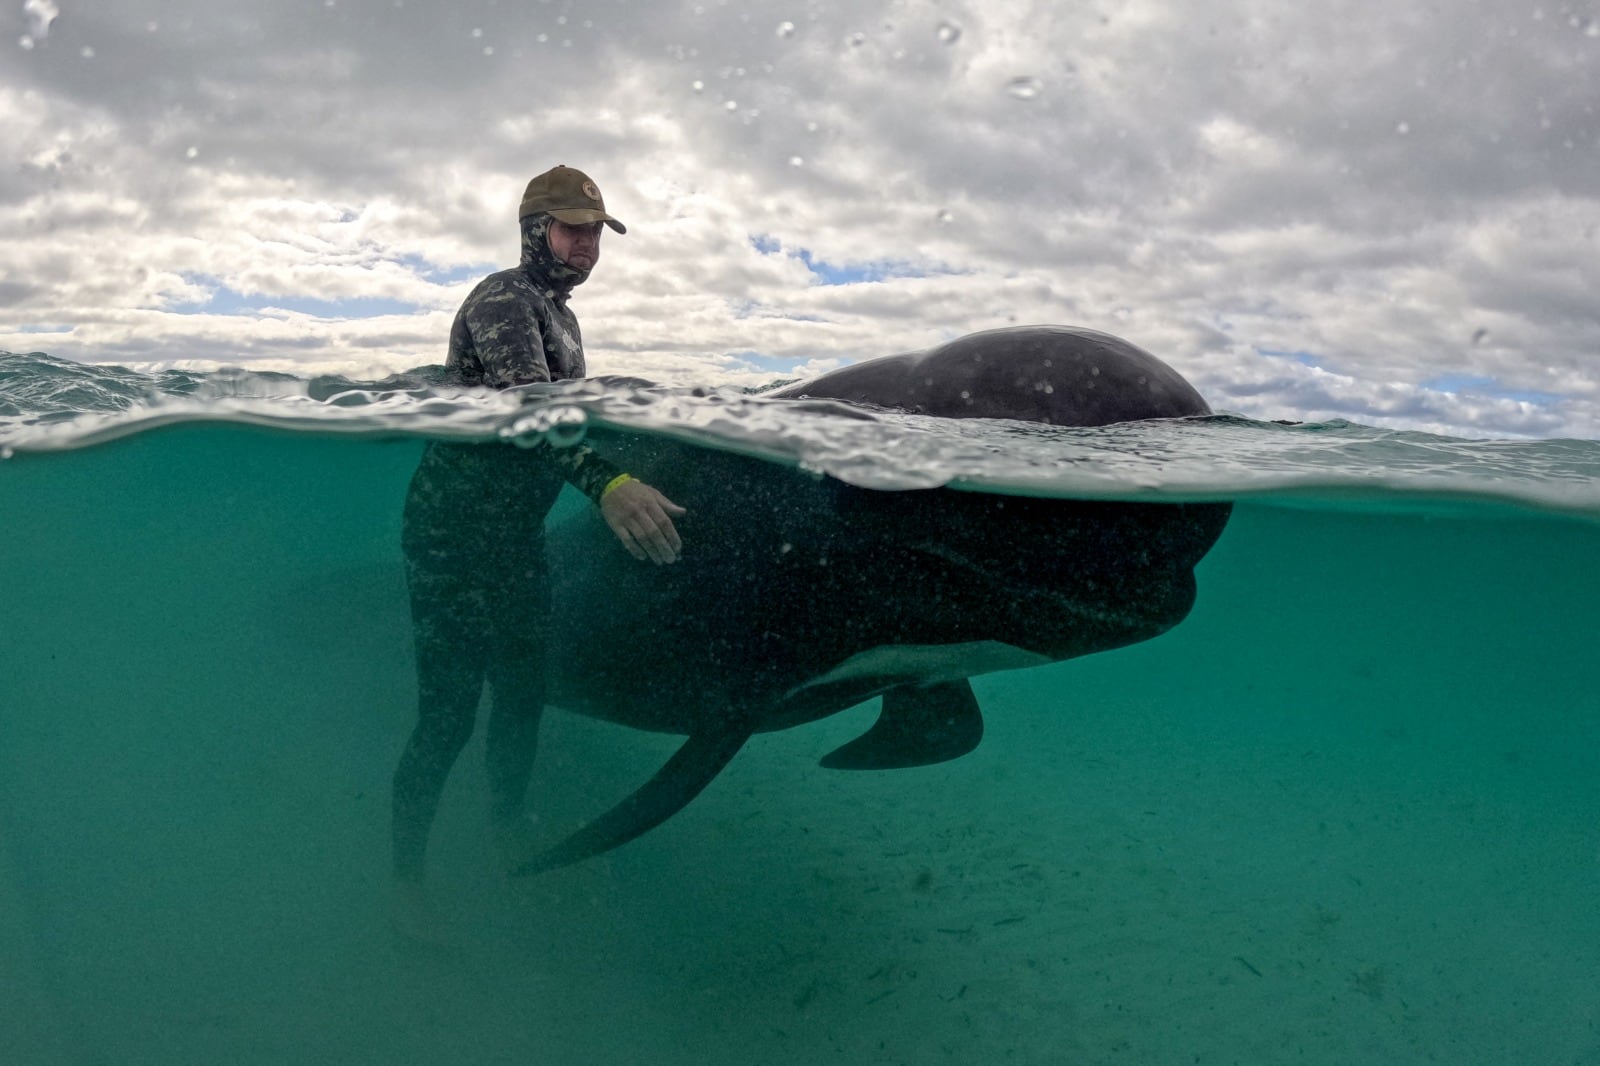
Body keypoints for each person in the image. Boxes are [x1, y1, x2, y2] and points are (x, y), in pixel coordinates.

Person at [390, 165, 684, 944]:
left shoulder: (563, 318)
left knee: (522, 695)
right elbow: (529, 415)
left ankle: (507, 834)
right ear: (533, 230)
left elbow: (562, 417)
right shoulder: (503, 301)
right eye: (570, 228)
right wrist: (609, 483)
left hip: (515, 542)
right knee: (447, 719)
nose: (585, 245)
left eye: (594, 231)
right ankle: (406, 883)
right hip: (451, 543)